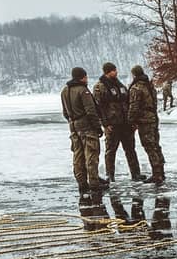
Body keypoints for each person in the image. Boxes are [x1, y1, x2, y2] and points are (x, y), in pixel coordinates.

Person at [93, 62, 142, 184]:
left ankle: (136, 173)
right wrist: (105, 124)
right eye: (114, 70)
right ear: (108, 72)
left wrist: (132, 120)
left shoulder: (120, 85)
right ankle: (110, 175)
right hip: (112, 124)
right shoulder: (100, 87)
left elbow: (128, 101)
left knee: (130, 149)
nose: (116, 72)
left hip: (125, 123)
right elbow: (98, 107)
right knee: (111, 151)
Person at [60, 66, 105, 196]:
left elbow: (65, 112)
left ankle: (82, 184)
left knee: (78, 157)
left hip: (74, 127)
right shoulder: (83, 91)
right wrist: (97, 127)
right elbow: (91, 111)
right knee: (91, 156)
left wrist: (72, 121)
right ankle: (94, 184)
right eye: (86, 77)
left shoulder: (65, 91)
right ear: (83, 77)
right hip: (86, 127)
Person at [128, 65, 166, 185]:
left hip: (144, 121)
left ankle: (157, 174)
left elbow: (134, 106)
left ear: (134, 75)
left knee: (149, 146)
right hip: (153, 118)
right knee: (156, 145)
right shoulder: (149, 86)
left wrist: (131, 121)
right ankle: (161, 171)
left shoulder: (136, 88)